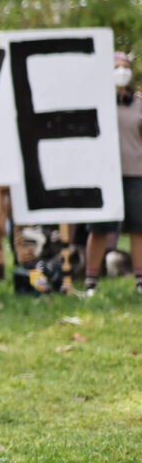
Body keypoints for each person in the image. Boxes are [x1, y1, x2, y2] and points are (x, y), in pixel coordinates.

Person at [84, 53, 142, 296]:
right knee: (99, 228)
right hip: (105, 175)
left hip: (135, 172)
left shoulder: (138, 103)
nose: (121, 71)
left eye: (125, 67)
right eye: (116, 67)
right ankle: (90, 281)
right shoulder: (99, 102)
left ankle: (139, 280)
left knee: (138, 228)